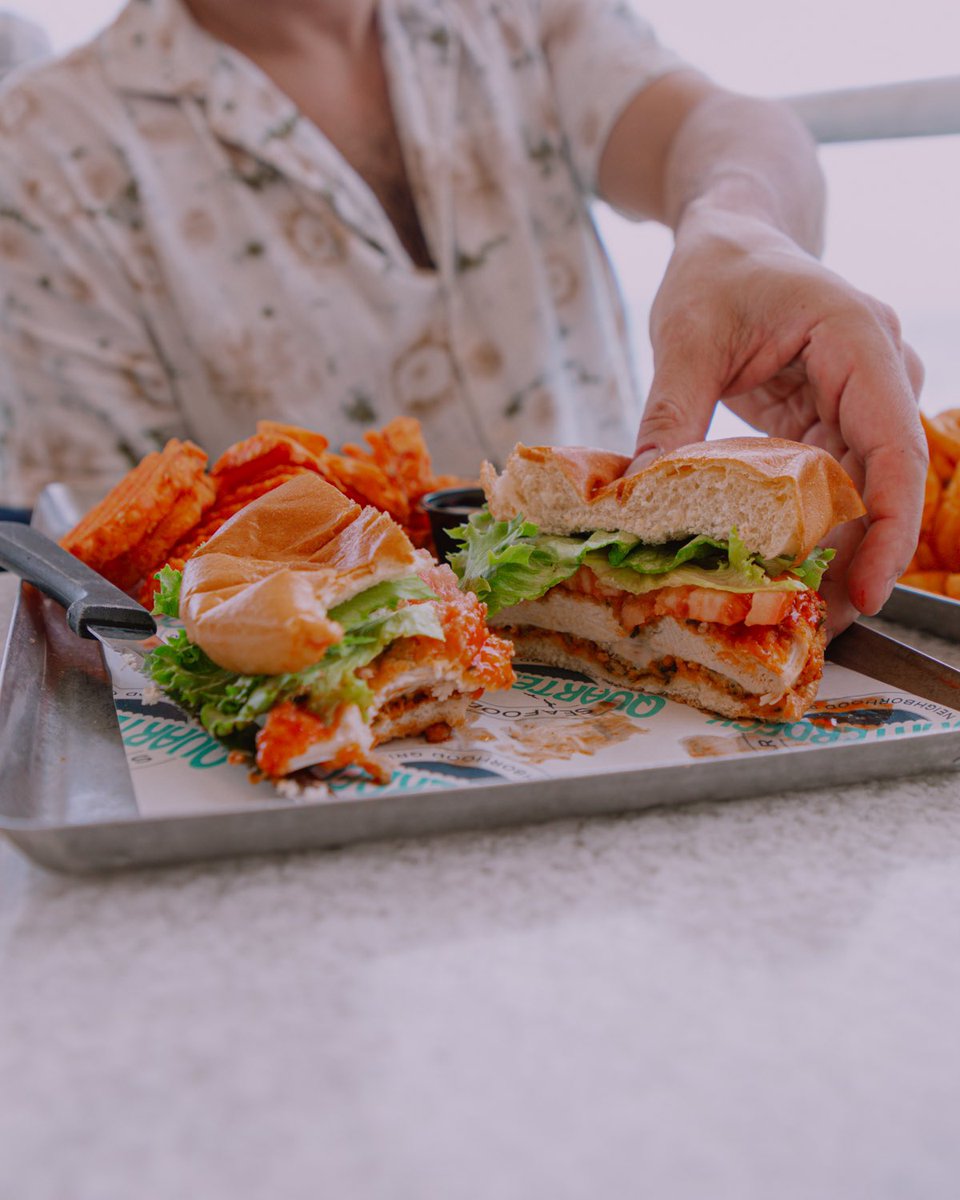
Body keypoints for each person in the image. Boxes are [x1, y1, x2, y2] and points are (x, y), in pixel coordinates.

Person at [0, 0, 926, 636]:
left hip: (654, 712)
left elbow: (724, 126)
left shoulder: (513, 16)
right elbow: (110, 598)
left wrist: (738, 225)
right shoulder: (37, 156)